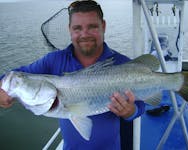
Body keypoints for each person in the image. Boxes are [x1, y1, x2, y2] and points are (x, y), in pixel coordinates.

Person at [0, 0, 145, 149]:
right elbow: (17, 75)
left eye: (92, 27)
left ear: (104, 26)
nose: (84, 34)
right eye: (77, 28)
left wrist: (130, 112)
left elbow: (140, 106)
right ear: (69, 30)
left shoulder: (123, 63)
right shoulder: (53, 60)